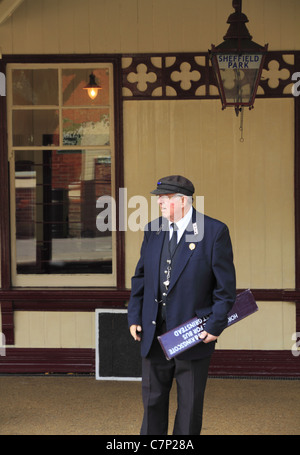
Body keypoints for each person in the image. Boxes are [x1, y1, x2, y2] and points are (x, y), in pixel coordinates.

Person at [127, 175, 236, 435]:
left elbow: (225, 288)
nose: (159, 203)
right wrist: (134, 315)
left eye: (165, 199)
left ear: (184, 201)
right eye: (159, 199)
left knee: (189, 407)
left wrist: (216, 326)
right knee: (152, 402)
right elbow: (140, 277)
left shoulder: (213, 232)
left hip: (193, 333)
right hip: (154, 332)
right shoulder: (153, 230)